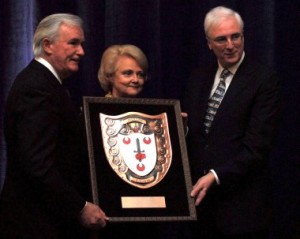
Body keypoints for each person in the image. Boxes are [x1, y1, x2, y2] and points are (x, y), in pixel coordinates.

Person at [0, 13, 109, 239]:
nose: (81, 52)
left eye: (82, 44)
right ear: (47, 45)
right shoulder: (37, 88)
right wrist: (81, 206)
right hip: (37, 223)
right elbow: (38, 165)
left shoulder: (47, 84)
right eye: (73, 43)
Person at [181, 6, 281, 239]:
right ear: (209, 43)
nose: (230, 45)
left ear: (243, 36)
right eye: (221, 39)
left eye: (235, 36)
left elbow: (258, 147)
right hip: (201, 211)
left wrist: (215, 175)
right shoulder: (197, 78)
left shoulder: (264, 80)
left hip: (243, 213)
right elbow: (197, 137)